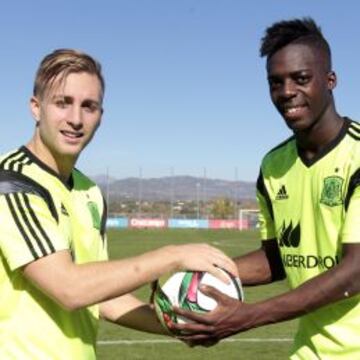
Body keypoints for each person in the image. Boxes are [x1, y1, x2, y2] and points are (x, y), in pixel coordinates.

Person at [0, 49, 238, 359]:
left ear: (100, 116)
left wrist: (178, 325)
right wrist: (173, 256)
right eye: (63, 103)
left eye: (89, 106)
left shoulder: (89, 192)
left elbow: (100, 297)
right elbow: (68, 288)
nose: (75, 119)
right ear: (36, 107)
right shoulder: (13, 183)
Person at [169, 18, 360, 359]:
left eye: (301, 79)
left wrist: (250, 316)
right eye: (276, 82)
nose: (287, 92)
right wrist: (199, 274)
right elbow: (278, 257)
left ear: (331, 80)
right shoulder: (273, 166)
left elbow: (355, 271)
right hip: (309, 350)